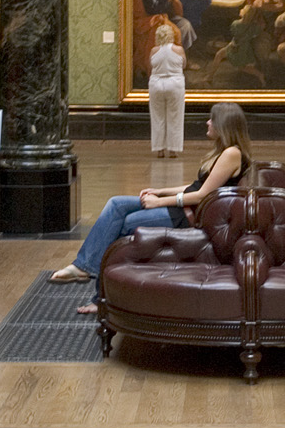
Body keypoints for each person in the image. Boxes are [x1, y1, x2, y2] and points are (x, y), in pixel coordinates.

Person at [50, 102, 252, 300]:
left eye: (212, 119)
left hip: (187, 214)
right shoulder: (224, 151)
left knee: (125, 224)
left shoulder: (231, 153)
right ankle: (84, 267)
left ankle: (99, 293)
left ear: (223, 125)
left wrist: (160, 202)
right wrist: (160, 191)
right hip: (184, 205)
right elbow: (196, 186)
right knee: (116, 204)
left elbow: (202, 195)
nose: (207, 122)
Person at [147, 22, 186, 158]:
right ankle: (173, 149)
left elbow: (150, 66)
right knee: (175, 116)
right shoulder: (179, 50)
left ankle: (159, 149)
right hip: (175, 83)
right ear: (171, 35)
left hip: (156, 83)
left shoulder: (154, 50)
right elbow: (184, 64)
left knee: (157, 116)